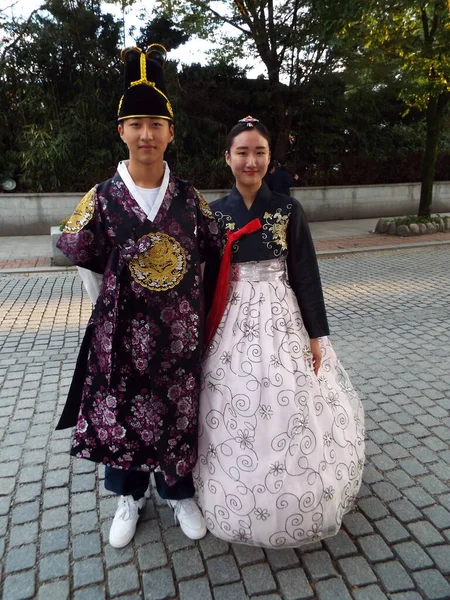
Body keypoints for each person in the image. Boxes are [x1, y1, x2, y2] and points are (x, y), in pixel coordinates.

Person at [55, 44, 220, 549]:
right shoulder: (102, 196)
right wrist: (107, 315)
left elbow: (213, 258)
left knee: (178, 411)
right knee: (122, 414)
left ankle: (178, 492)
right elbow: (85, 259)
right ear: (121, 131)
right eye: (136, 124)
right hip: (121, 335)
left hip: (178, 337)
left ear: (171, 132)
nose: (146, 134)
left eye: (156, 123)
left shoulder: (190, 198)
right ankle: (129, 497)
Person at [193, 116, 365, 548]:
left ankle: (297, 487)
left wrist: (315, 335)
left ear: (270, 159)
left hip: (281, 314)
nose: (251, 161)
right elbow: (207, 278)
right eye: (243, 152)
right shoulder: (214, 214)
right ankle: (234, 485)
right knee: (234, 397)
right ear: (227, 157)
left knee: (290, 395)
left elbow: (305, 273)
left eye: (260, 152)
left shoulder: (288, 210)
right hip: (231, 317)